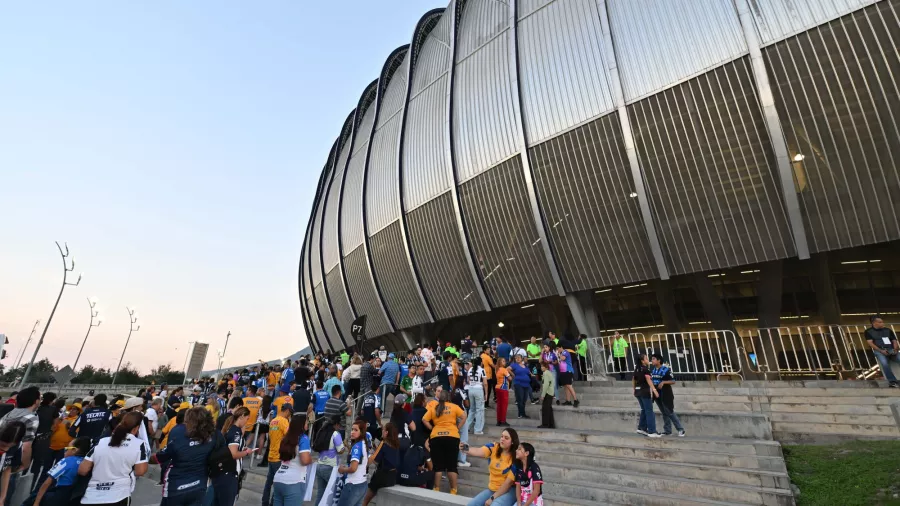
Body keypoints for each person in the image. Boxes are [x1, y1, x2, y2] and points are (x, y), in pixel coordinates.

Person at [78, 412, 149, 506]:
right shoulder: (139, 444)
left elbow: (82, 470)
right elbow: (140, 471)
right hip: (119, 495)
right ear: (136, 428)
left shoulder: (101, 441)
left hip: (91, 496)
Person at [155, 407, 216, 506]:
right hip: (199, 485)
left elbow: (162, 457)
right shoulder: (212, 435)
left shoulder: (178, 431)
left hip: (177, 487)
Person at [459, 428, 520, 506]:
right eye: (502, 436)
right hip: (493, 489)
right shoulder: (494, 447)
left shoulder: (516, 457)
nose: (502, 439)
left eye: (506, 438)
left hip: (509, 490)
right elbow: (479, 451)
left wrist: (492, 498)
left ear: (512, 442)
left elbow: (508, 484)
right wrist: (467, 449)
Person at [23, 437, 90, 506]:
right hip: (73, 496)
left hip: (59, 495)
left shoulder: (66, 461)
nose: (65, 450)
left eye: (67, 448)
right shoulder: (86, 463)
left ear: (74, 450)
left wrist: (36, 502)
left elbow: (47, 483)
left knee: (30, 500)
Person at [422, 390, 466, 495]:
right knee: (452, 466)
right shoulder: (454, 406)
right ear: (448, 397)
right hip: (452, 436)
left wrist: (433, 428)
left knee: (438, 466)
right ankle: (453, 490)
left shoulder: (434, 407)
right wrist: (457, 427)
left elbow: (424, 419)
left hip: (436, 437)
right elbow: (464, 416)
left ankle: (436, 489)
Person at [210, 407, 255, 506]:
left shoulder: (231, 430)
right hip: (229, 474)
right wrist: (247, 452)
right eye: (247, 419)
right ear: (242, 416)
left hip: (224, 474)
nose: (247, 422)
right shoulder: (236, 431)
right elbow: (233, 454)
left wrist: (242, 450)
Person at [272, 414, 311, 506]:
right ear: (301, 424)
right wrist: (311, 460)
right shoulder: (303, 438)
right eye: (306, 422)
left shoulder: (285, 438)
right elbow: (305, 460)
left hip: (279, 479)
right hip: (294, 481)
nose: (308, 424)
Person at [262, 403, 292, 506]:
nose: (290, 415)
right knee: (277, 484)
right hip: (279, 457)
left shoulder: (273, 421)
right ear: (287, 410)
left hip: (271, 454)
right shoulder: (284, 421)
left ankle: (264, 503)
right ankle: (272, 504)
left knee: (269, 483)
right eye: (290, 413)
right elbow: (289, 437)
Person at [362, 423, 400, 506]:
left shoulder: (384, 443)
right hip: (392, 477)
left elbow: (375, 460)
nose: (382, 431)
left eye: (383, 429)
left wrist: (365, 463)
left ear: (386, 432)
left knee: (365, 499)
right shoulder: (396, 444)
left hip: (382, 476)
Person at [335, 421, 369, 506]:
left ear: (361, 432)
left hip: (353, 484)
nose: (352, 432)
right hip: (362, 483)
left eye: (356, 430)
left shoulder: (357, 446)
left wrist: (343, 469)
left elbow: (353, 468)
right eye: (352, 429)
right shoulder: (363, 443)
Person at [650, 353, 685, 437]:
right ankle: (667, 430)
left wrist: (664, 382)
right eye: (652, 359)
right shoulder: (653, 370)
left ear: (659, 360)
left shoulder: (666, 369)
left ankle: (680, 429)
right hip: (657, 394)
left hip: (666, 394)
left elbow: (673, 381)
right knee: (664, 412)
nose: (652, 360)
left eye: (654, 359)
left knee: (669, 411)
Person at [312, 416, 344, 506]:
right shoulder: (335, 434)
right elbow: (340, 450)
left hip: (319, 465)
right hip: (330, 467)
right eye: (339, 426)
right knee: (332, 494)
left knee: (320, 494)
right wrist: (344, 445)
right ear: (336, 425)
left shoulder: (322, 432)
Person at [865, 316, 900, 387]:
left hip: (891, 349)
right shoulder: (868, 332)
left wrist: (895, 349)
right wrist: (881, 350)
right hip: (880, 350)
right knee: (885, 364)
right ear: (874, 323)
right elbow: (870, 343)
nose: (882, 323)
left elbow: (894, 340)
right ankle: (892, 381)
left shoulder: (888, 330)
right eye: (880, 322)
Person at [634, 353, 661, 438]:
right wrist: (654, 390)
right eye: (646, 358)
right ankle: (652, 431)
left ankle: (641, 428)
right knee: (649, 411)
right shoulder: (645, 369)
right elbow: (648, 379)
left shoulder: (637, 369)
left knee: (644, 409)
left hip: (638, 392)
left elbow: (633, 379)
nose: (648, 360)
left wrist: (634, 389)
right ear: (642, 361)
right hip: (644, 392)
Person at [466, 358, 488, 436]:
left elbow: (468, 380)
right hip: (478, 390)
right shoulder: (482, 370)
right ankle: (478, 429)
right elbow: (485, 383)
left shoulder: (470, 369)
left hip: (471, 389)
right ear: (481, 363)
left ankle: (466, 427)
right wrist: (486, 393)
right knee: (480, 410)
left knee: (472, 409)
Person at [509, 355, 533, 419]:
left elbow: (528, 372)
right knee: (520, 399)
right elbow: (507, 369)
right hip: (518, 384)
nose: (517, 359)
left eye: (519, 357)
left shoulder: (525, 365)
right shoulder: (514, 365)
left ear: (521, 358)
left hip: (526, 384)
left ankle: (522, 413)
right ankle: (521, 414)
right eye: (516, 358)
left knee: (524, 399)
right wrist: (512, 374)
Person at [556, 344, 579, 408]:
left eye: (558, 348)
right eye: (557, 349)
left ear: (561, 347)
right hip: (563, 371)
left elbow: (563, 358)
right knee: (566, 386)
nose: (557, 350)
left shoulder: (565, 352)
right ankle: (568, 400)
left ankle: (575, 400)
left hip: (568, 371)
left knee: (569, 385)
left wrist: (558, 354)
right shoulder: (561, 353)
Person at [537, 361, 555, 429]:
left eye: (543, 366)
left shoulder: (546, 373)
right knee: (549, 409)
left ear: (546, 367)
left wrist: (543, 395)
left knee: (545, 409)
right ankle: (551, 424)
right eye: (541, 366)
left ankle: (545, 424)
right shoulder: (549, 373)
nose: (541, 368)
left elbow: (546, 385)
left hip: (547, 393)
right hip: (550, 393)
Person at [494, 358, 510, 427]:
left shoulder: (497, 369)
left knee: (499, 405)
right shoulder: (504, 369)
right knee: (504, 406)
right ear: (500, 363)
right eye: (503, 361)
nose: (505, 362)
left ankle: (499, 421)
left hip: (497, 387)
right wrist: (510, 372)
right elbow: (510, 378)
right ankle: (503, 420)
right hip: (503, 388)